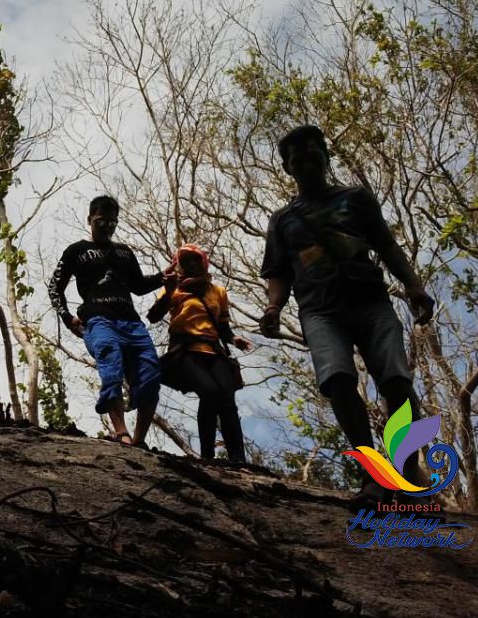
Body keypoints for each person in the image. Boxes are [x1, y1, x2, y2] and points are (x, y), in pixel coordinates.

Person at [259, 125, 435, 503]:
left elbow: (385, 244)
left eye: (312, 154)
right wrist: (273, 306)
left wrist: (413, 284)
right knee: (337, 381)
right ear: (287, 167)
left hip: (370, 299)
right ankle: (372, 476)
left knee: (397, 383)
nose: (306, 162)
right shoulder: (283, 220)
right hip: (319, 310)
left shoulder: (356, 198)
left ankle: (406, 476)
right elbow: (277, 271)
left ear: (325, 155)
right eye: (297, 159)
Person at [47, 196, 165, 447]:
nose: (107, 227)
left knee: (151, 374)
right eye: (101, 221)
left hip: (131, 323)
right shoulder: (76, 250)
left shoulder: (124, 252)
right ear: (90, 219)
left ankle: (138, 441)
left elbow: (139, 286)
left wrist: (165, 277)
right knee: (111, 362)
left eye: (113, 222)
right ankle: (120, 431)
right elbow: (54, 287)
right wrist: (67, 317)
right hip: (98, 319)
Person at [147, 244, 252, 462]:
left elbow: (222, 325)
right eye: (186, 261)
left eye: (195, 260)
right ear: (180, 266)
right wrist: (167, 291)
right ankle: (207, 456)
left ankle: (238, 458)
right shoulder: (174, 288)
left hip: (214, 351)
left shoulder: (217, 291)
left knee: (227, 399)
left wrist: (233, 339)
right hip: (186, 351)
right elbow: (154, 316)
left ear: (203, 262)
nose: (191, 264)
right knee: (210, 393)